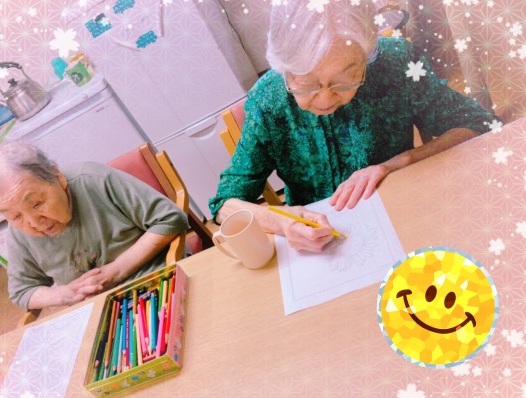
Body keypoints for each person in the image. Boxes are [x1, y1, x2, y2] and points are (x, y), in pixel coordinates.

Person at [209, 0, 498, 253]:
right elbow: (224, 204)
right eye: (307, 84)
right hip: (317, 244)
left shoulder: (397, 64)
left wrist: (395, 164)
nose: (325, 100)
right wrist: (282, 222)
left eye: (345, 81)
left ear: (366, 56)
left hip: (404, 216)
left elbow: (479, 123)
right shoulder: (268, 100)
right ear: (284, 69)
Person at [0, 142, 189, 310]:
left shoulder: (92, 180)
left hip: (160, 281)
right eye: (15, 216)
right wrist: (64, 294)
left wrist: (116, 271)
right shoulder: (18, 233)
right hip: (101, 314)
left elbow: (170, 219)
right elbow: (22, 291)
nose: (34, 223)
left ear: (58, 177)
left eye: (37, 204)